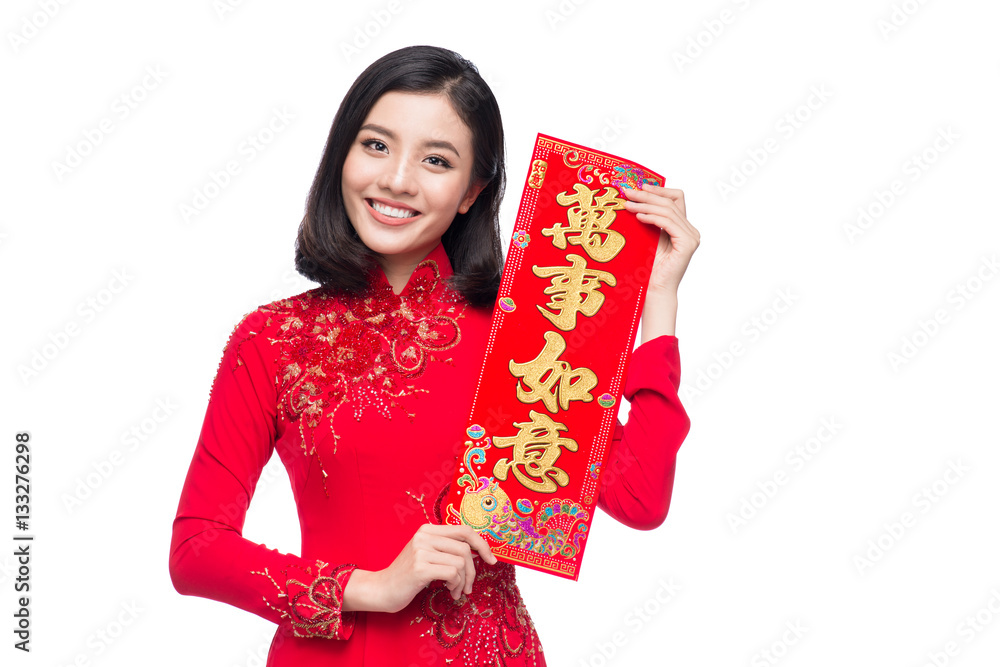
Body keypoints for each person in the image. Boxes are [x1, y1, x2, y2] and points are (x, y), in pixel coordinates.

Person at [169, 45, 698, 666]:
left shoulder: (525, 335)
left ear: (473, 190)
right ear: (341, 153)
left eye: (436, 160)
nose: (396, 179)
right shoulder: (273, 340)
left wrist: (657, 300)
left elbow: (639, 499)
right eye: (375, 145)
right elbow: (196, 549)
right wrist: (368, 588)